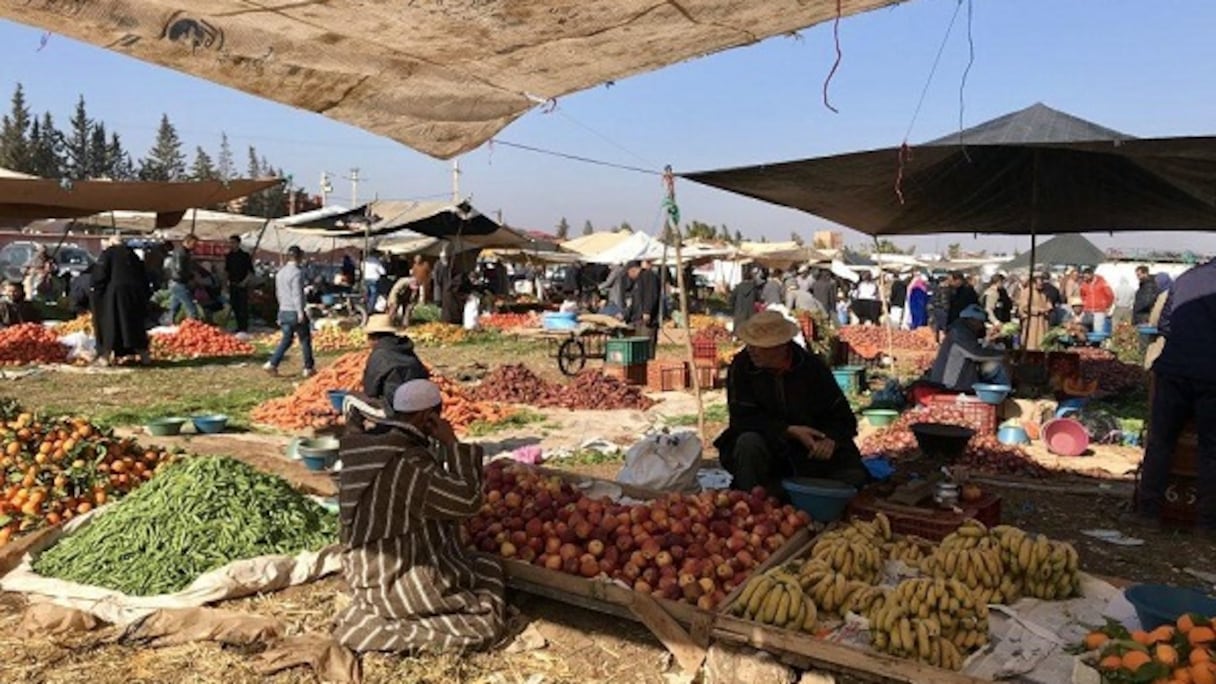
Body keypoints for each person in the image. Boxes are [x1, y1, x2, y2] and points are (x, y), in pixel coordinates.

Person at [333, 379, 505, 654]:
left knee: (484, 566)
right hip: (393, 578)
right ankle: (392, 627)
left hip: (363, 571)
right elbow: (468, 501)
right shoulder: (408, 464)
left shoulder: (370, 447)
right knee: (485, 623)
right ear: (429, 418)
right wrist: (451, 444)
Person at [715, 311, 868, 500]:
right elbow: (741, 418)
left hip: (809, 454)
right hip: (769, 446)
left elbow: (844, 419)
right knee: (748, 443)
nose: (751, 350)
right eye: (750, 344)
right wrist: (788, 430)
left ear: (780, 346)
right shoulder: (742, 366)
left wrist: (830, 440)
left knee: (854, 477)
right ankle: (753, 502)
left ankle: (794, 492)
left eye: (759, 346)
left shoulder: (812, 368)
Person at [1139, 258, 1216, 535]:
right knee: (1211, 451)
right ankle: (1207, 524)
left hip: (1173, 371)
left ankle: (1147, 513)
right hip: (1211, 377)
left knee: (1160, 442)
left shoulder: (1186, 278)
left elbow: (1165, 325)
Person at [92, 238, 150, 365]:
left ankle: (106, 357)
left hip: (114, 296)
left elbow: (100, 275)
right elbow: (144, 275)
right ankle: (144, 356)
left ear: (111, 243)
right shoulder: (133, 255)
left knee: (112, 326)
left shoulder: (108, 254)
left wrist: (96, 289)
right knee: (134, 326)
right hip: (134, 295)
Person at [928, 304, 1010, 391]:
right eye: (980, 323)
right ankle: (1005, 391)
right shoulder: (959, 332)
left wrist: (988, 339)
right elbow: (975, 353)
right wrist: (1003, 355)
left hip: (955, 382)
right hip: (950, 385)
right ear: (972, 320)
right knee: (996, 366)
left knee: (993, 365)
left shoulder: (962, 330)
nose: (981, 327)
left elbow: (974, 348)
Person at [264, 246, 315, 378]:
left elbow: (278, 293)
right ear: (299, 257)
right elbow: (297, 294)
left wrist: (280, 310)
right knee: (305, 339)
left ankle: (272, 363)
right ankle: (308, 367)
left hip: (284, 310)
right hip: (294, 310)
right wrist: (300, 312)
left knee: (287, 339)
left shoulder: (280, 273)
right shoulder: (297, 273)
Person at [362, 313, 430, 410]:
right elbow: (425, 375)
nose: (368, 342)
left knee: (352, 399)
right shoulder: (406, 349)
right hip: (420, 406)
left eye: (368, 338)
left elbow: (370, 390)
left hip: (395, 408)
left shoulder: (379, 355)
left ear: (374, 338)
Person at [625, 260, 660, 347]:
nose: (628, 276)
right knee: (638, 345)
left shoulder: (648, 276)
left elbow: (651, 294)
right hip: (637, 319)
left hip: (646, 320)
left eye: (628, 273)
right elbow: (634, 301)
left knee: (646, 344)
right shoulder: (637, 281)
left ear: (632, 270)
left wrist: (647, 311)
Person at [167, 235, 201, 322]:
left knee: (174, 307)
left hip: (175, 283)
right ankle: (193, 327)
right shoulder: (181, 253)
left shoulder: (182, 252)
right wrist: (190, 277)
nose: (195, 246)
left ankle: (168, 324)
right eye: (194, 244)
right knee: (192, 309)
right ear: (188, 242)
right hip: (179, 283)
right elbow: (180, 269)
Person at [225, 235, 255, 333]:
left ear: (238, 243)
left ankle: (244, 327)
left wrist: (244, 282)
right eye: (230, 242)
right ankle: (238, 326)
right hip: (233, 284)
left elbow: (251, 272)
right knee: (235, 306)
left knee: (243, 307)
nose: (231, 245)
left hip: (242, 284)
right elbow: (226, 271)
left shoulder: (244, 256)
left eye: (233, 242)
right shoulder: (229, 256)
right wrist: (226, 283)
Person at [1018, 275, 1052, 351]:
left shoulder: (1044, 292)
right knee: (1031, 342)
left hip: (1043, 321)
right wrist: (1039, 310)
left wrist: (1049, 306)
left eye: (1042, 283)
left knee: (1042, 343)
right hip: (1032, 321)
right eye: (1039, 283)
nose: (1041, 285)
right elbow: (1024, 307)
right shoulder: (1027, 292)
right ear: (1033, 282)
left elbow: (1048, 302)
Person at [729, 267, 760, 335]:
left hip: (739, 312)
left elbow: (731, 299)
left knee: (738, 333)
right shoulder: (754, 288)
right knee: (749, 333)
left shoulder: (738, 287)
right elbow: (758, 299)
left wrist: (733, 307)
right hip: (750, 312)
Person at [363, 250, 387, 314]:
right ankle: (370, 309)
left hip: (366, 279)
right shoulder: (376, 261)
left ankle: (365, 308)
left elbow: (362, 269)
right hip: (374, 279)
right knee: (374, 294)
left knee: (367, 294)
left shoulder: (365, 261)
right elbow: (383, 272)